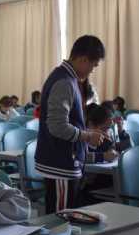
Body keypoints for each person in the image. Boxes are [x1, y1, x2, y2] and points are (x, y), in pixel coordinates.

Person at [36, 35, 106, 214]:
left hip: (65, 161)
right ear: (83, 59)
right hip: (60, 163)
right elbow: (57, 126)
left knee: (66, 220)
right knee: (60, 220)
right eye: (93, 65)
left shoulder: (69, 79)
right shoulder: (64, 82)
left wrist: (87, 134)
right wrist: (88, 136)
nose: (92, 71)